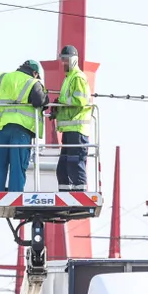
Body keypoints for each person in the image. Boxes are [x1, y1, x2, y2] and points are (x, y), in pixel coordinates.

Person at [0, 60, 47, 192]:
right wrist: (46, 99)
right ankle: (15, 194)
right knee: (17, 165)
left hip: (2, 129)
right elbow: (39, 100)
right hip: (21, 130)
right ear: (35, 73)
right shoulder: (32, 82)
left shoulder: (2, 78)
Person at [53, 45, 93, 191]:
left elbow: (81, 100)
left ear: (73, 60)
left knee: (75, 164)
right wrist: (57, 108)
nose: (63, 63)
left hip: (77, 129)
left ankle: (80, 195)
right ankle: (65, 194)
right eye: (62, 60)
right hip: (69, 130)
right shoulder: (69, 79)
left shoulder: (78, 78)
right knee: (63, 168)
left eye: (66, 60)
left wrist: (61, 102)